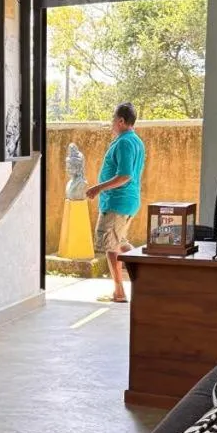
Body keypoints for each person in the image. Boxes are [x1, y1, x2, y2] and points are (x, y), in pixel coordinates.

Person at [86, 103, 146, 303]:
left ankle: (119, 291)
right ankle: (144, 274)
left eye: (113, 119)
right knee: (119, 242)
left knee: (111, 246)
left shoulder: (125, 143)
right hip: (126, 201)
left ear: (121, 121)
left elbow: (125, 176)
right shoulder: (135, 141)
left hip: (118, 201)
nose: (111, 123)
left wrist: (98, 188)